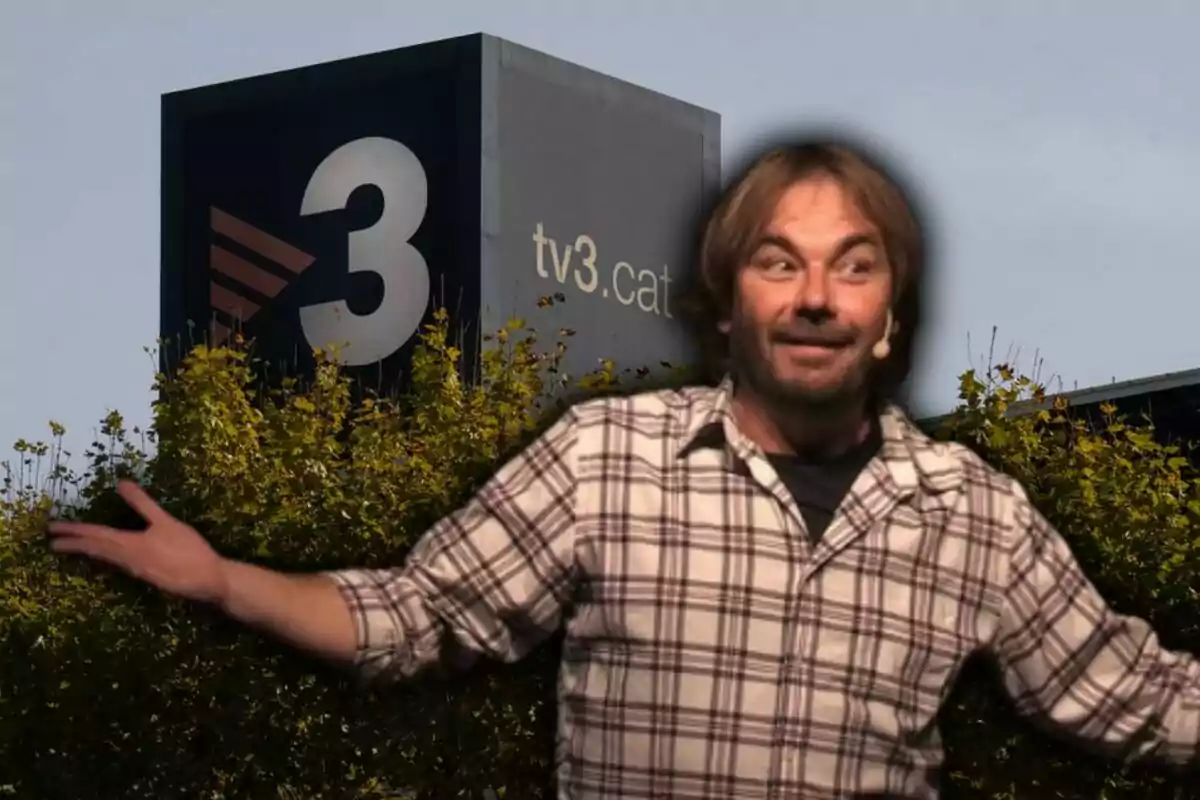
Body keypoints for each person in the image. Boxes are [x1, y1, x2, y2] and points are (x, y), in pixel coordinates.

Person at [48, 139, 1200, 798]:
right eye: (778, 262)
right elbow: (420, 612)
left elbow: (1137, 697)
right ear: (728, 307)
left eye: (853, 268)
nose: (814, 296)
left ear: (889, 318)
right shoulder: (607, 461)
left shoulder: (975, 513)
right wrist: (226, 580)